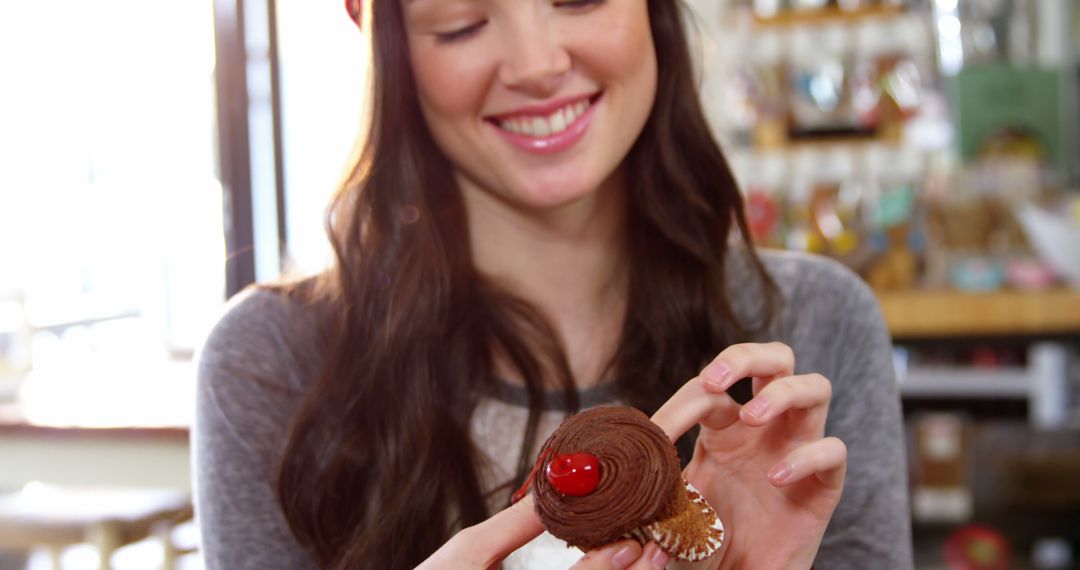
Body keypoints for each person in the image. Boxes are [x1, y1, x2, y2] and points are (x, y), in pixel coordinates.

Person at [193, 0, 913, 568]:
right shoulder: (270, 363)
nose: (537, 65)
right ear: (386, 40)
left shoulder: (811, 329)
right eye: (463, 22)